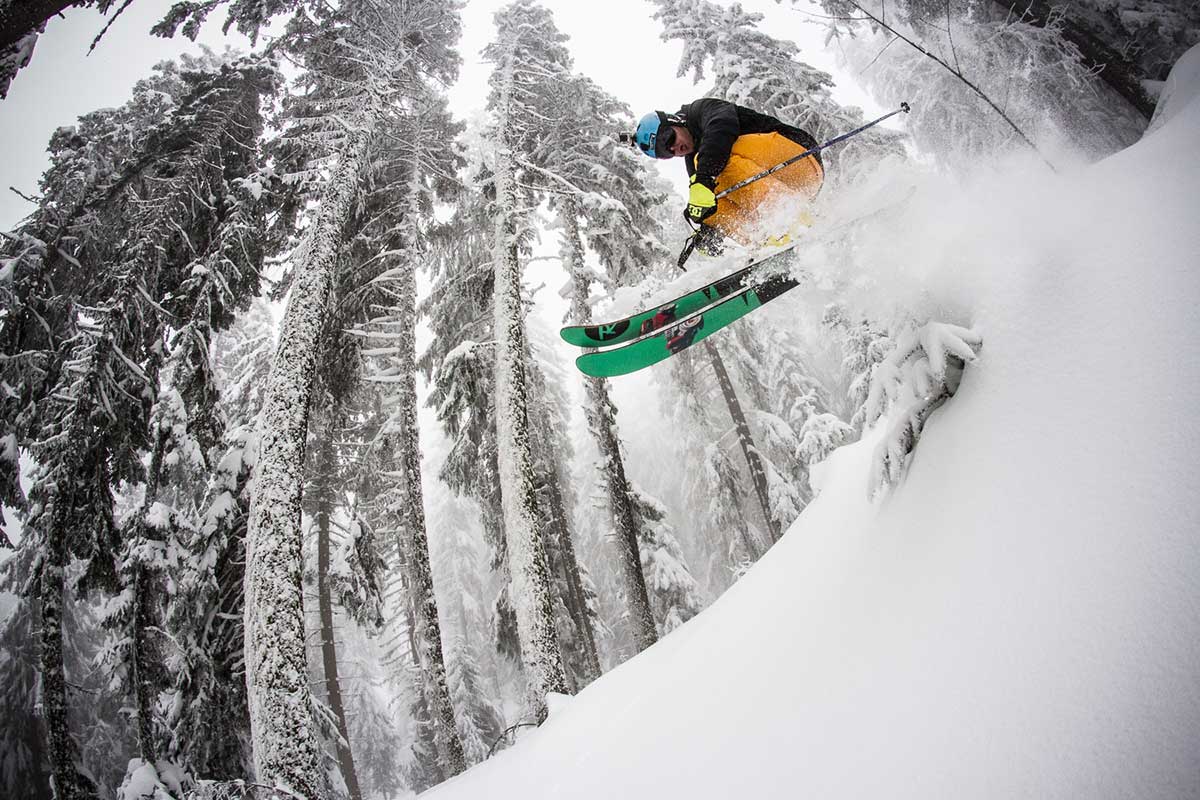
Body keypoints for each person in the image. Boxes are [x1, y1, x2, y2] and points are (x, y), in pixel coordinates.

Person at [632, 98, 824, 253]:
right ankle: (765, 243)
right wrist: (709, 228)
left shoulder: (701, 111)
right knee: (706, 205)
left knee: (709, 166)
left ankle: (789, 221)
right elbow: (710, 197)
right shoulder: (694, 159)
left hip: (799, 156)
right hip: (797, 187)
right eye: (667, 152)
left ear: (673, 121)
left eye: (669, 138)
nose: (675, 148)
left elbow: (721, 127)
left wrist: (704, 179)